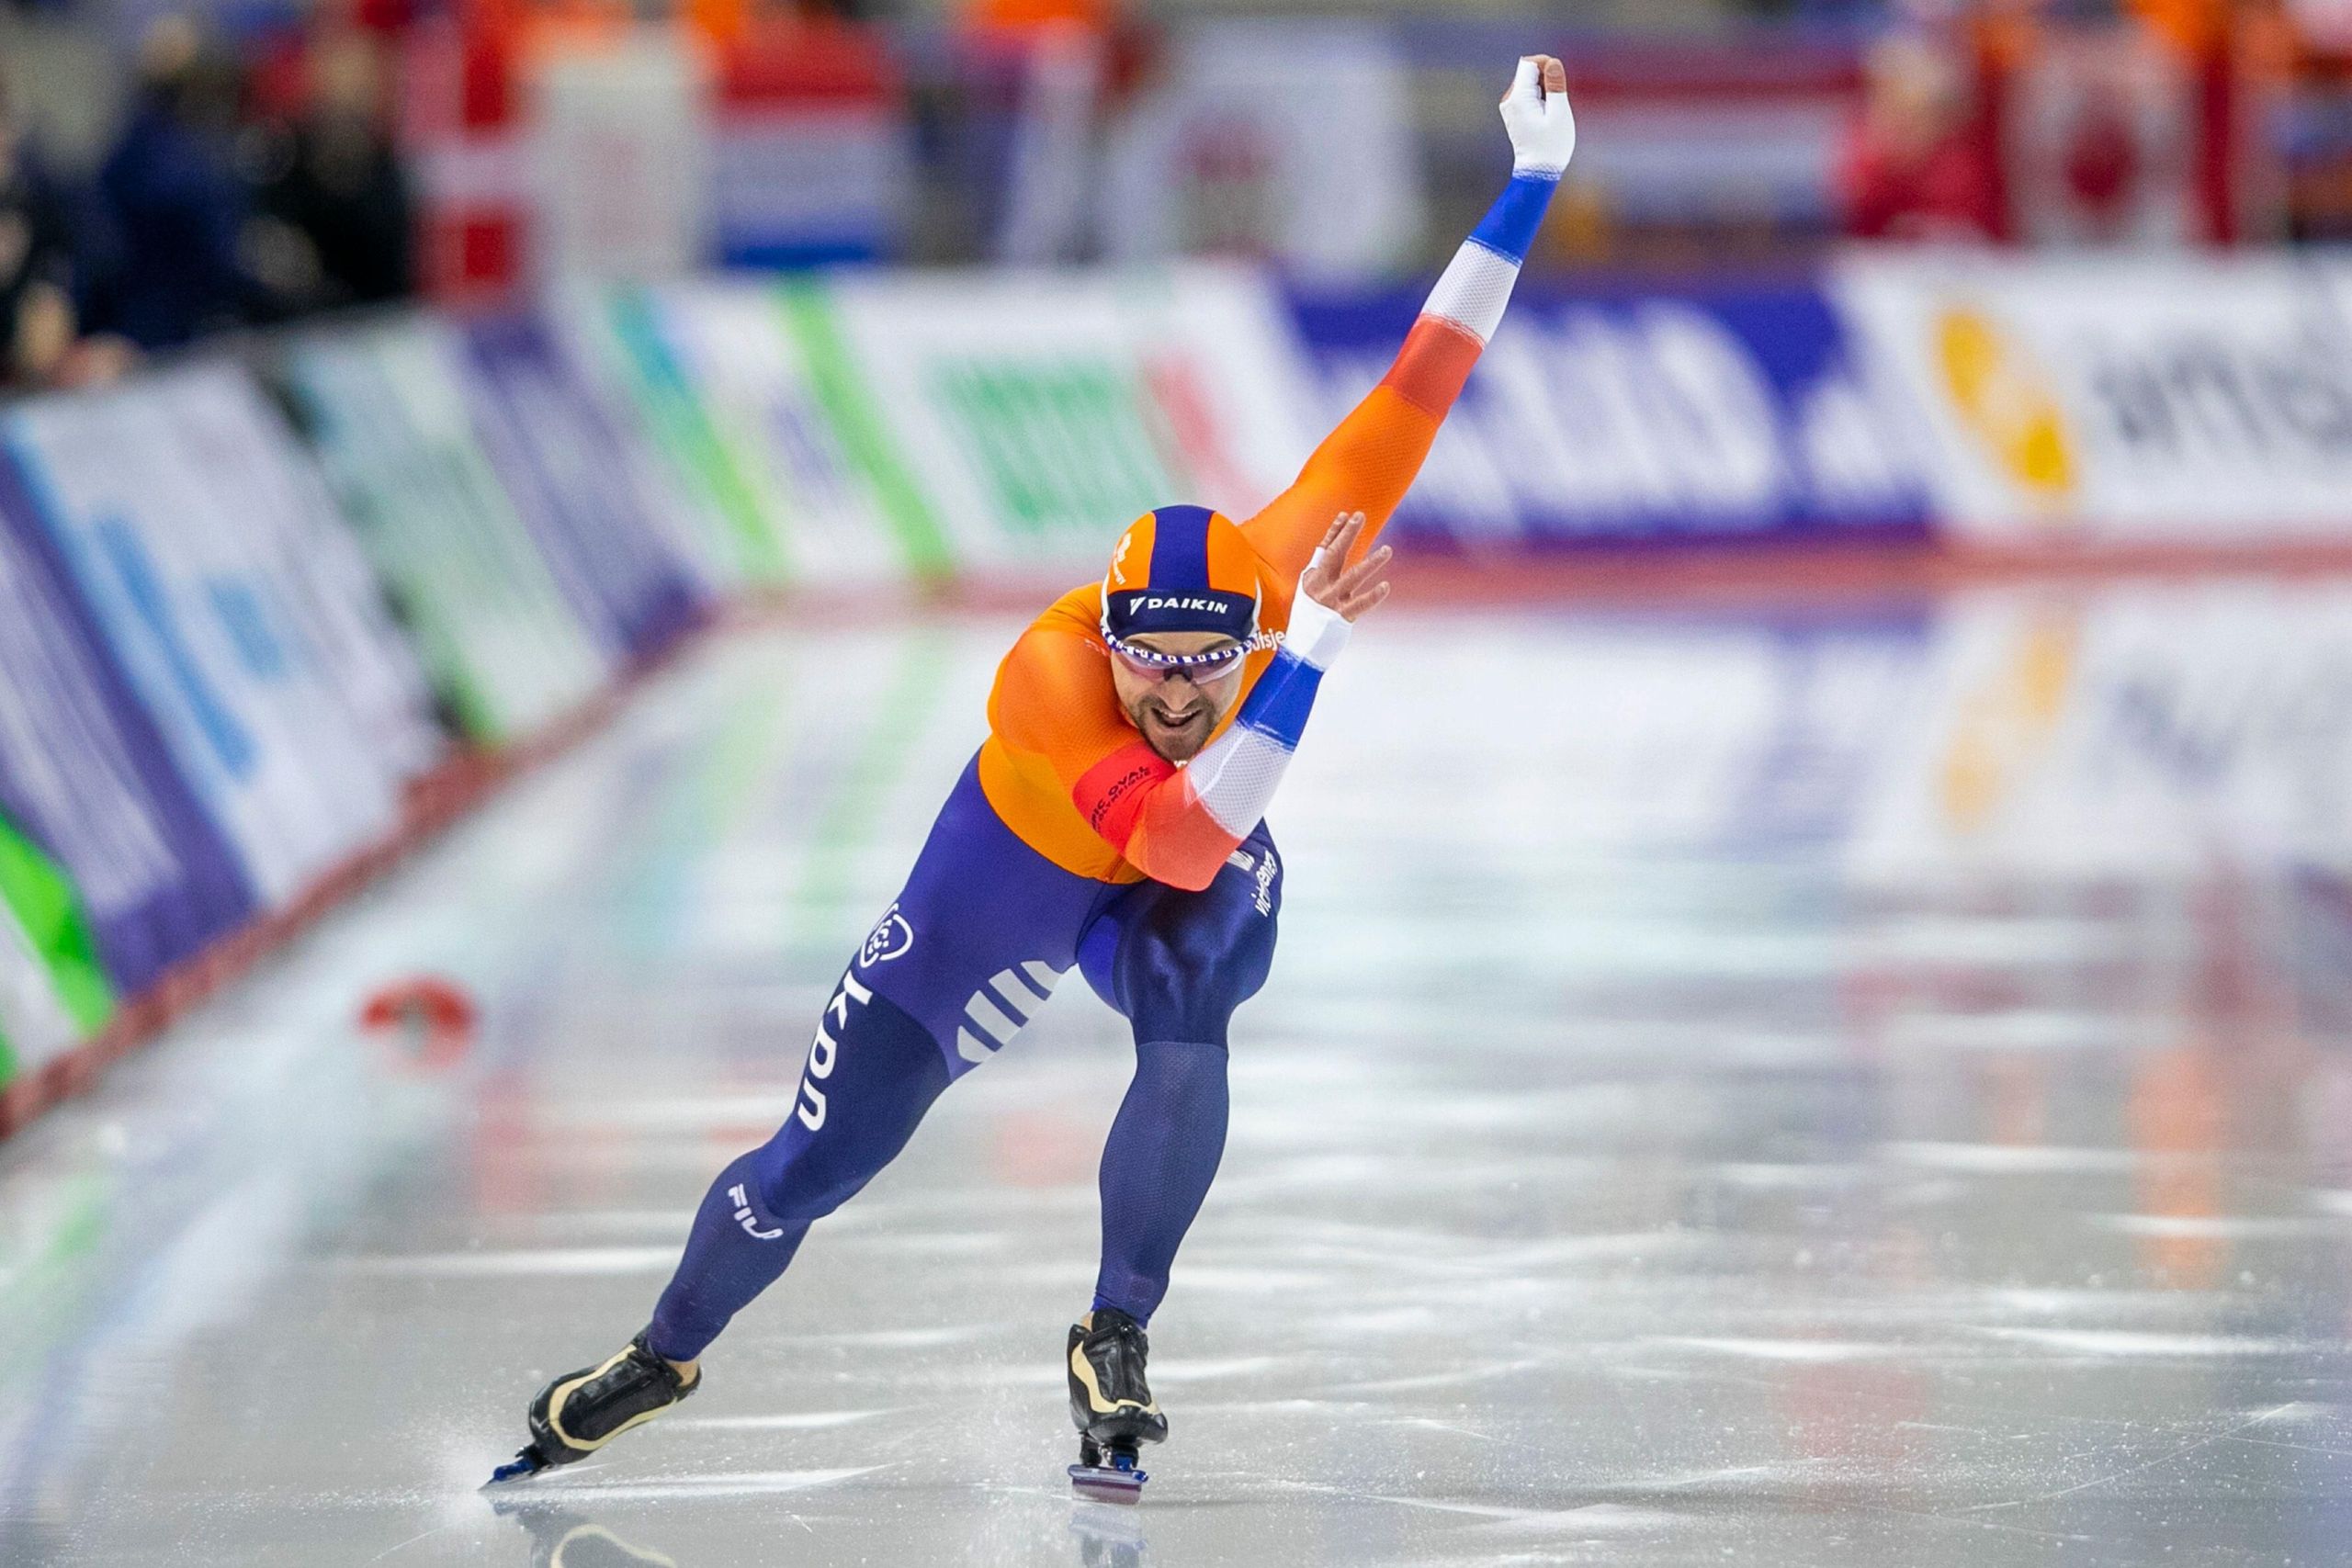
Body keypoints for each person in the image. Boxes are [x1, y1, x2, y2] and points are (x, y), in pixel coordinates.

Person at [493, 53, 1578, 1498]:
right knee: (811, 1173)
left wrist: (1528, 183)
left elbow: (1425, 375)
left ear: (1245, 621)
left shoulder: (1278, 568)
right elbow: (1181, 833)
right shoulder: (1055, 681)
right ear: (1109, 633)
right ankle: (663, 1352)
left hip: (1148, 889)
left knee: (1199, 984)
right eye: (1155, 662)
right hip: (995, 902)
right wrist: (1301, 666)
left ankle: (1116, 1331)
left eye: (1213, 664)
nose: (1179, 692)